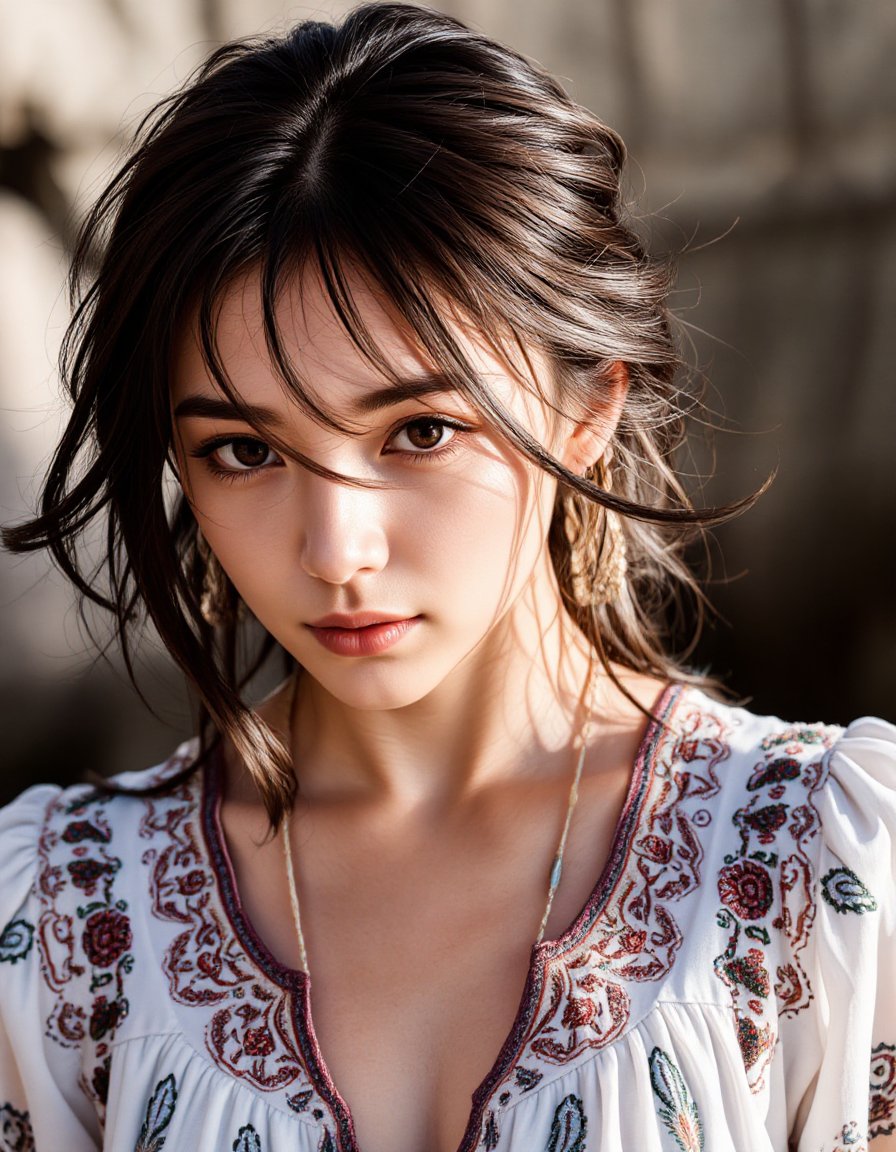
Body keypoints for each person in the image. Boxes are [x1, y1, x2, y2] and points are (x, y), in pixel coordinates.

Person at [0, 4, 893, 1150]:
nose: (337, 550)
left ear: (587, 407)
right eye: (244, 451)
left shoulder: (819, 875)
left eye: (418, 432)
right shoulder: (65, 921)